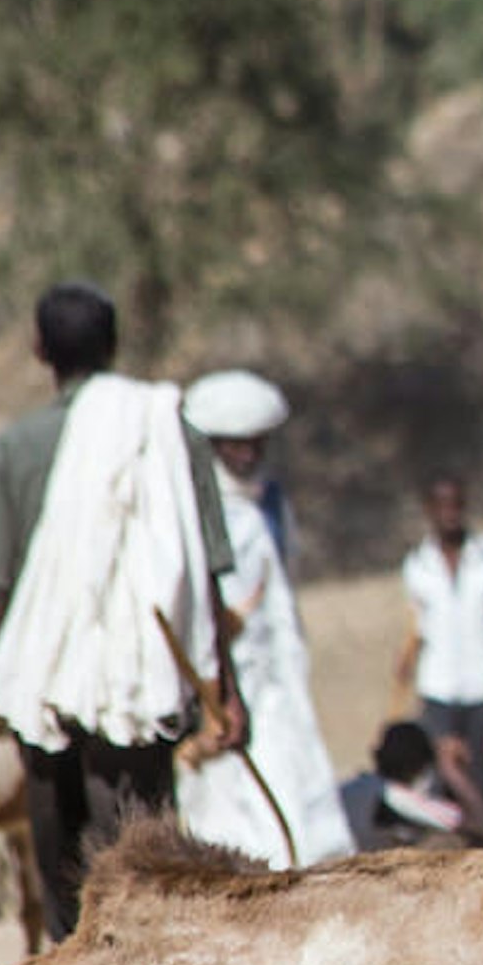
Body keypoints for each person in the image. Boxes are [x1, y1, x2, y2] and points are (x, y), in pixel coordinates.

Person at [0, 282, 245, 941]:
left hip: (45, 677)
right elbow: (204, 576)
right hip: (139, 682)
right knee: (139, 857)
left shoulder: (15, 448)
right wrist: (228, 690)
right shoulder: (170, 434)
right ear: (114, 347)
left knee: (61, 856)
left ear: (38, 349)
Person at [170, 371, 351, 867]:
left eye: (256, 444)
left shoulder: (270, 503)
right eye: (235, 446)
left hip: (278, 677)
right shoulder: (196, 511)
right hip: (225, 681)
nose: (247, 456)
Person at [394, 475, 483, 842]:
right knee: (439, 773)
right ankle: (445, 853)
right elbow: (418, 625)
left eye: (456, 505)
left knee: (477, 774)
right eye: (442, 506)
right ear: (429, 510)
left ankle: (479, 850)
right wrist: (406, 661)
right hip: (437, 684)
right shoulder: (418, 564)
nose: (450, 514)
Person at [334, 718, 475, 854]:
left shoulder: (350, 789)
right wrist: (451, 768)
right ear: (417, 767)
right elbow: (480, 826)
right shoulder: (397, 798)